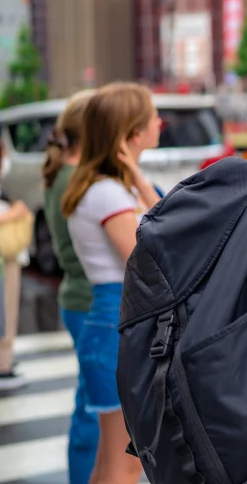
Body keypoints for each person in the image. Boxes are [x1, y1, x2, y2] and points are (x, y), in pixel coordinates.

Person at [63, 83, 161, 484]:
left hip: (110, 328)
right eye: (152, 116)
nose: (160, 122)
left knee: (111, 461)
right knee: (126, 463)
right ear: (132, 134)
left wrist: (136, 175)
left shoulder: (105, 189)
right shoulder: (106, 194)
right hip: (117, 330)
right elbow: (151, 260)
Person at [42, 89, 99, 483]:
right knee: (93, 411)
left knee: (90, 404)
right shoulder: (75, 180)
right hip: (89, 299)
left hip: (79, 298)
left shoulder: (63, 174)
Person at [0, 141, 31, 390]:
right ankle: (3, 367)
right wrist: (12, 214)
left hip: (7, 256)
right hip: (5, 257)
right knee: (6, 311)